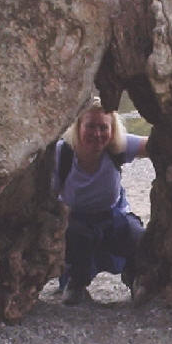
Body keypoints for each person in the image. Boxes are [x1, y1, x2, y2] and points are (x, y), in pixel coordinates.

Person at [53, 97, 148, 305]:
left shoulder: (118, 147)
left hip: (112, 215)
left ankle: (134, 277)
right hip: (75, 219)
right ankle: (75, 282)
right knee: (78, 237)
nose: (97, 134)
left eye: (104, 127)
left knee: (138, 237)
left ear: (112, 130)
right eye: (90, 126)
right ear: (78, 127)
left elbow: (155, 146)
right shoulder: (63, 153)